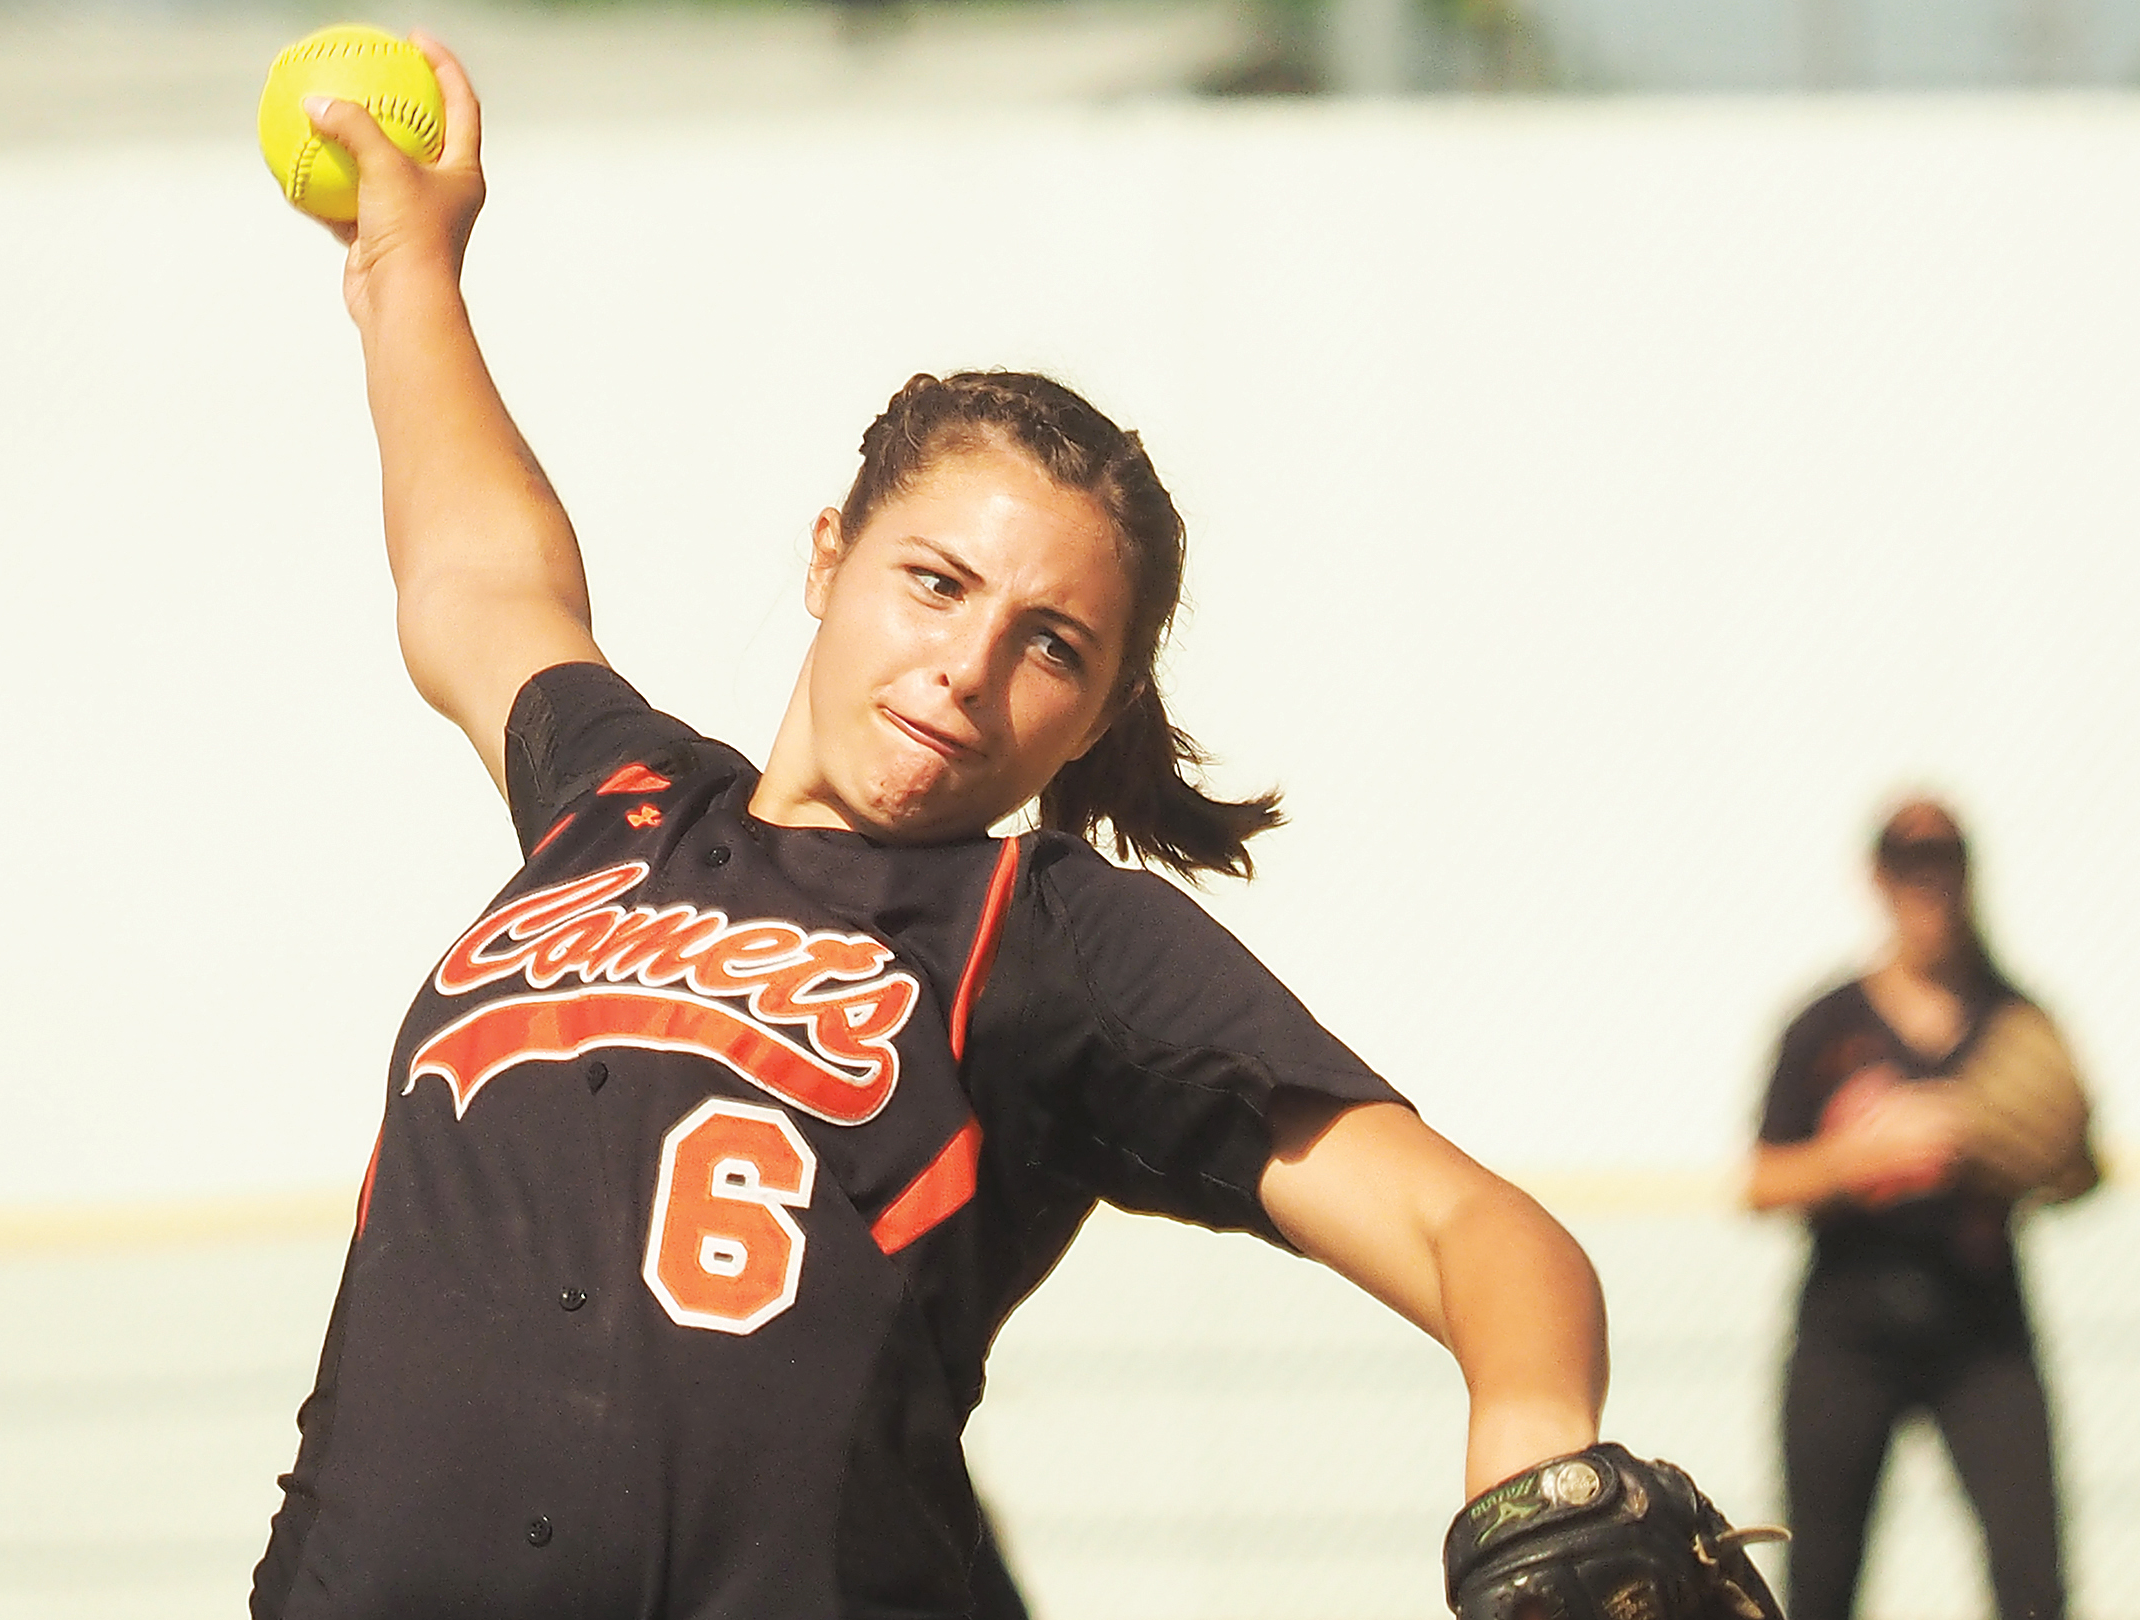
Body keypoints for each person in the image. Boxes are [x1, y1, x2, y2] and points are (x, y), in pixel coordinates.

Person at [249, 37, 1642, 1620]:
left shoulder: (1046, 935)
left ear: (1100, 713)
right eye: (936, 581)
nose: (969, 667)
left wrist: (1534, 1467)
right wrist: (405, 272)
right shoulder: (614, 803)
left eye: (1054, 646)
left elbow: (1478, 1230)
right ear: (830, 558)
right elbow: (478, 578)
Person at [1746, 800, 2089, 1620]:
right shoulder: (1826, 1024)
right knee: (1822, 1582)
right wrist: (1862, 1156)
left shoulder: (2014, 1018)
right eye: (1910, 871)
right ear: (1878, 880)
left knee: (2032, 1582)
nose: (1927, 890)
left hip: (1980, 1321)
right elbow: (1759, 1182)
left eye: (1942, 869)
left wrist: (2008, 1146)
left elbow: (2080, 1169)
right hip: (1849, 1322)